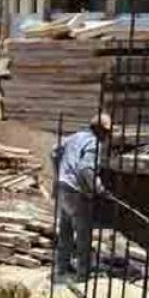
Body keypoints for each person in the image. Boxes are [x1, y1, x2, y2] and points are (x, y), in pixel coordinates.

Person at [52, 113, 112, 282]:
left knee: (65, 232)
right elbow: (85, 168)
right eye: (107, 133)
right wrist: (97, 188)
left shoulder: (75, 137)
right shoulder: (94, 143)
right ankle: (82, 276)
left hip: (63, 186)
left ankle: (61, 271)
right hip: (77, 192)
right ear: (101, 131)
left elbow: (54, 152)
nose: (107, 137)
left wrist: (59, 174)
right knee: (83, 235)